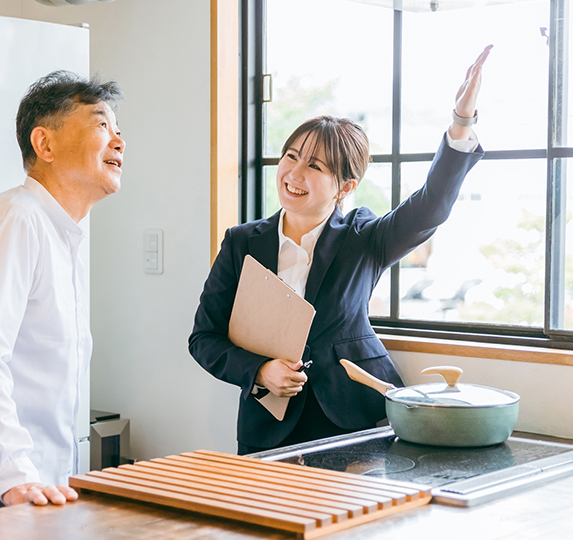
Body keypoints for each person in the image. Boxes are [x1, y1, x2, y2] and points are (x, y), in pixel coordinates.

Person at [189, 46, 492, 455]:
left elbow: (430, 207)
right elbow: (204, 338)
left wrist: (460, 123)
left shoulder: (364, 237)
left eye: (314, 166)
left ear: (345, 187)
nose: (294, 174)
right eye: (292, 157)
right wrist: (260, 370)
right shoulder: (242, 242)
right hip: (268, 424)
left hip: (354, 417)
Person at [0, 71, 125, 515]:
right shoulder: (14, 221)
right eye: (100, 125)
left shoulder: (61, 233)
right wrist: (15, 476)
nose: (118, 141)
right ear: (44, 144)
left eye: (117, 129)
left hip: (35, 485)